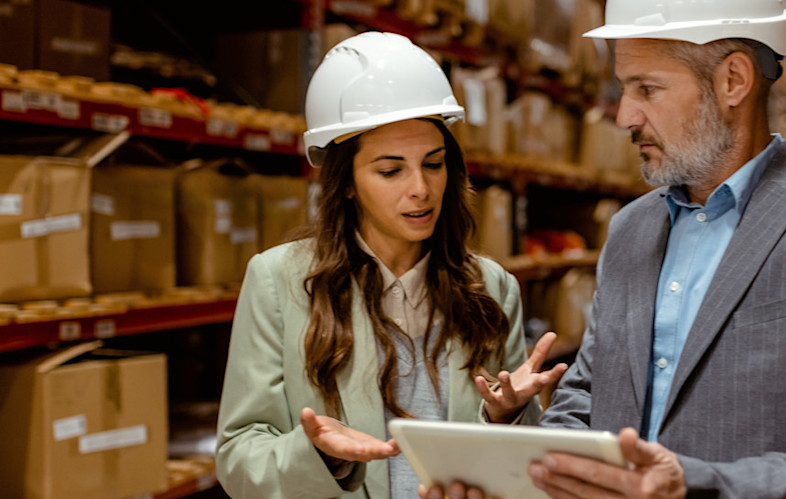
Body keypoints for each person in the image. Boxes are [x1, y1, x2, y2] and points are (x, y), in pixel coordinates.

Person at [424, 1, 786, 498]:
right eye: (623, 89)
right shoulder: (632, 229)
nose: (623, 116)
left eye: (646, 89)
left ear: (733, 81)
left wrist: (694, 486)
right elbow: (585, 395)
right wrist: (521, 473)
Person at [215, 32, 566, 499]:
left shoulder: (491, 285)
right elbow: (239, 456)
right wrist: (320, 456)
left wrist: (505, 417)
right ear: (345, 183)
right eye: (390, 170)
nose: (420, 188)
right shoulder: (280, 280)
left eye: (434, 164)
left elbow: (525, 472)